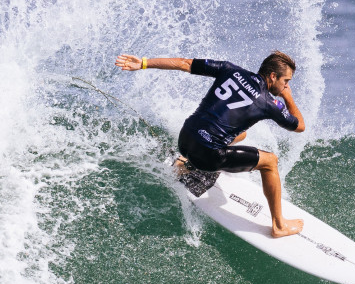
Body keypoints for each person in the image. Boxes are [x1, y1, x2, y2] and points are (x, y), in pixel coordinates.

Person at [115, 50, 307, 238]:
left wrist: (143, 63)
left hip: (186, 138)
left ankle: (185, 163)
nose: (285, 86)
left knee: (241, 134)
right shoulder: (269, 103)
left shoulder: (230, 70)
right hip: (208, 157)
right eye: (286, 81)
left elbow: (184, 63)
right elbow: (299, 126)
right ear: (273, 76)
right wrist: (287, 97)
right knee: (271, 162)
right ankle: (279, 225)